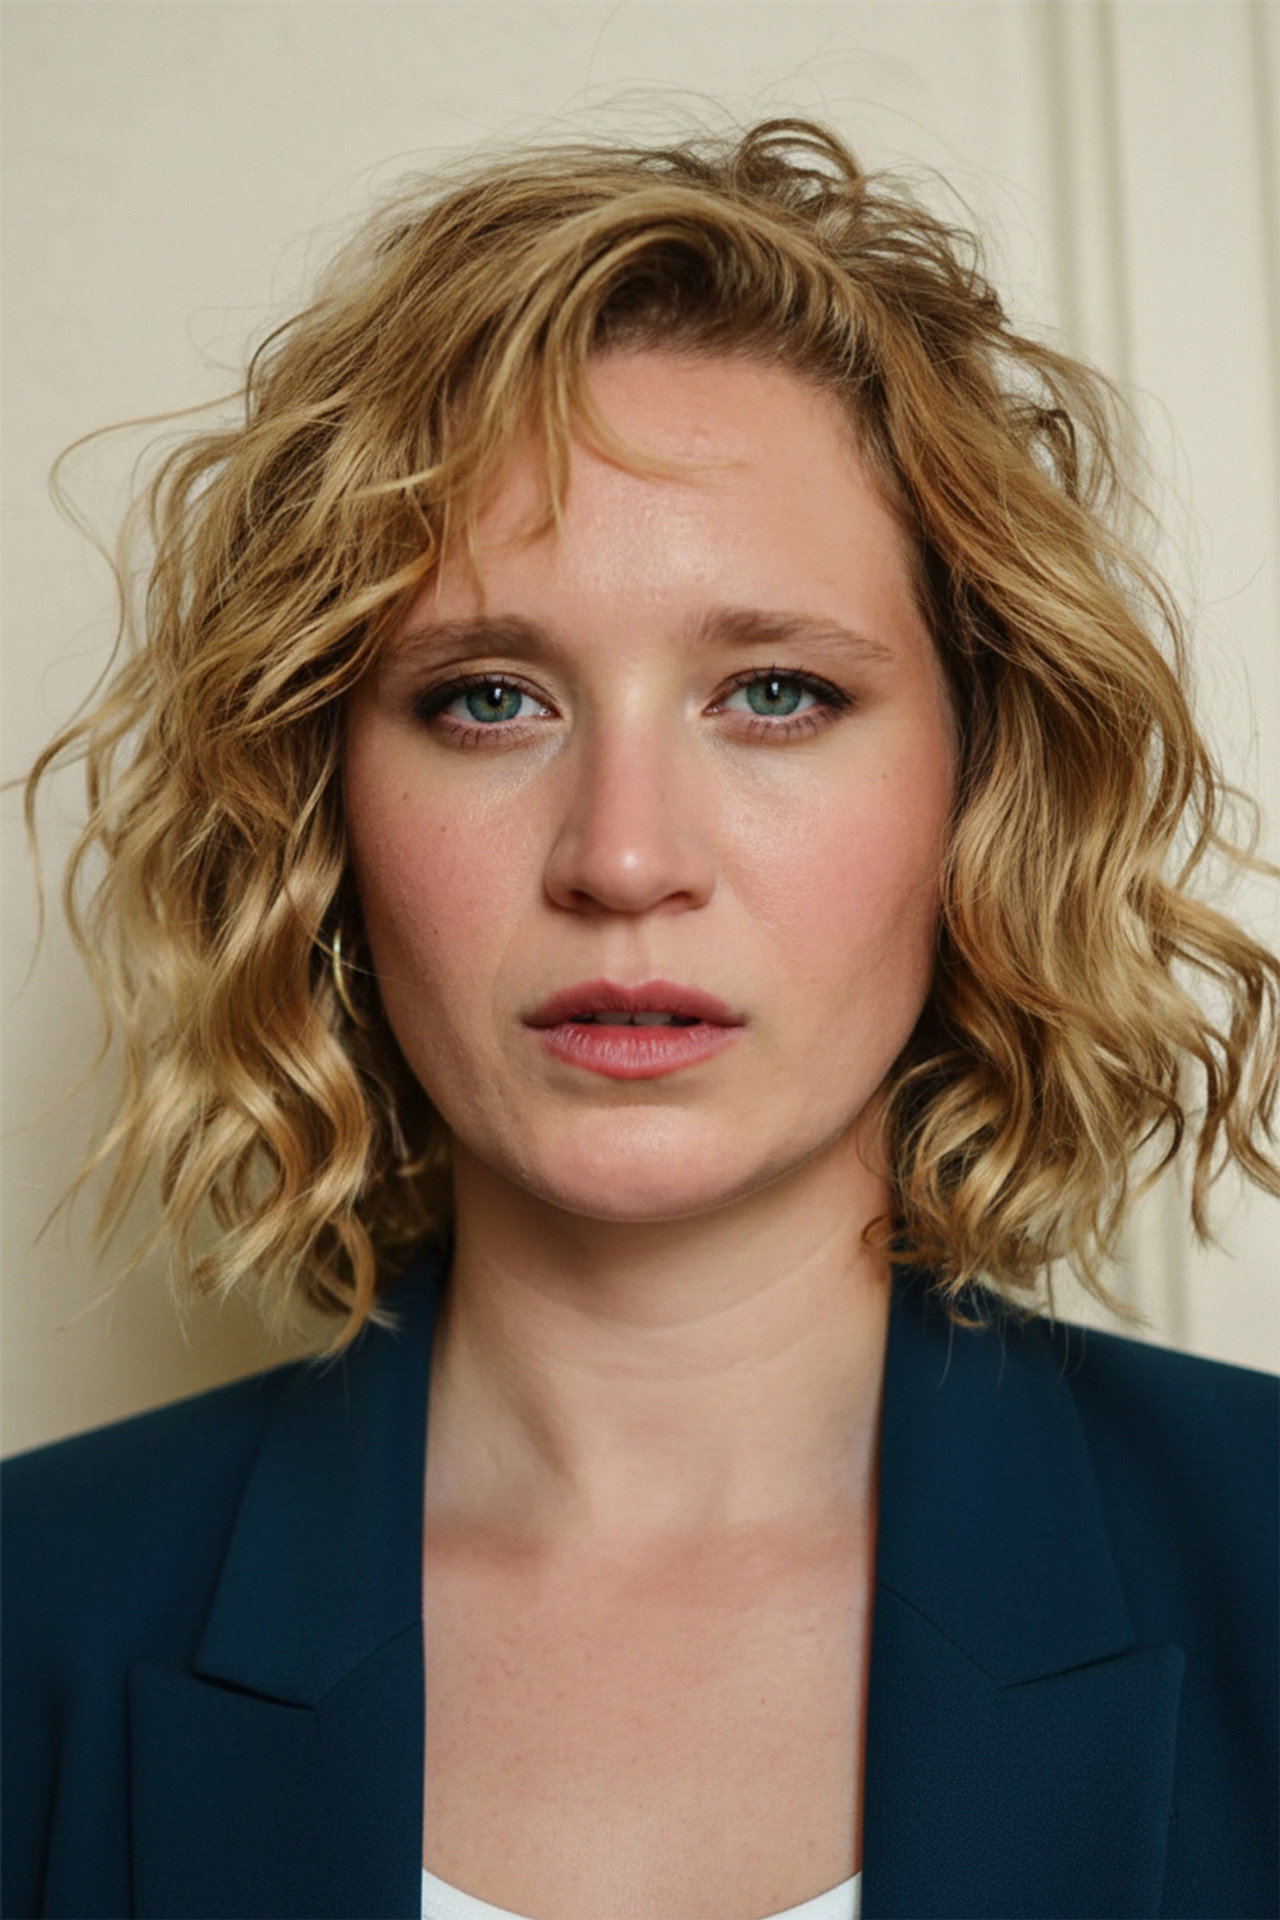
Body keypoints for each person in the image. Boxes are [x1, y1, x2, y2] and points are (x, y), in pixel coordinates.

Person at [3, 116, 1277, 1920]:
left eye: (775, 692)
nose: (621, 858)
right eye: (487, 699)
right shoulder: (31, 1621)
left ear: (981, 788)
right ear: (325, 811)